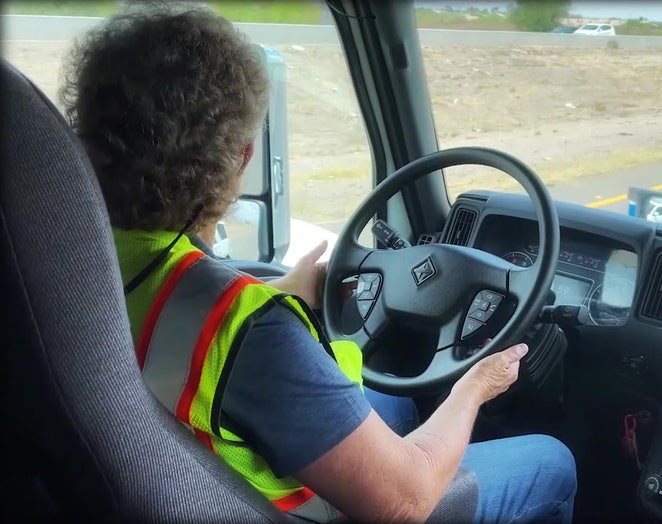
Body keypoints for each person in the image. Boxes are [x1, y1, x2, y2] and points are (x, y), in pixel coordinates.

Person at [61, 5, 576, 523]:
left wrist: (286, 292)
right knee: (552, 463)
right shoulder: (253, 330)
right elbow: (406, 501)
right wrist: (476, 386)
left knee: (389, 401)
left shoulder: (70, 255)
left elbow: (176, 330)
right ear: (240, 157)